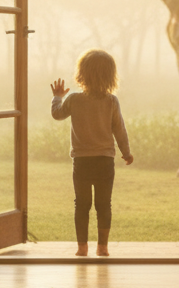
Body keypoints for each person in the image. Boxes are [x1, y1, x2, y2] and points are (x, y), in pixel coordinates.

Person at [51, 49, 133, 257]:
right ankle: (103, 248)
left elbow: (57, 114)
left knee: (82, 204)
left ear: (82, 75)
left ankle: (82, 248)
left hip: (82, 162)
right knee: (104, 204)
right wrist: (126, 152)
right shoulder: (111, 101)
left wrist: (57, 97)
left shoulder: (74, 100)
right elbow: (119, 129)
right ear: (110, 76)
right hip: (105, 161)